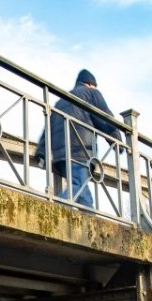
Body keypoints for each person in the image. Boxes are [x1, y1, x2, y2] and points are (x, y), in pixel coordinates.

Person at [34, 69, 120, 209]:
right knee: (78, 186)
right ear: (91, 84)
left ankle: (91, 224)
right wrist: (117, 140)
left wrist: (41, 152)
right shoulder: (92, 94)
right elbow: (105, 119)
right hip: (80, 151)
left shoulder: (60, 102)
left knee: (84, 195)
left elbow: (47, 130)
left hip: (60, 156)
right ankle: (52, 211)